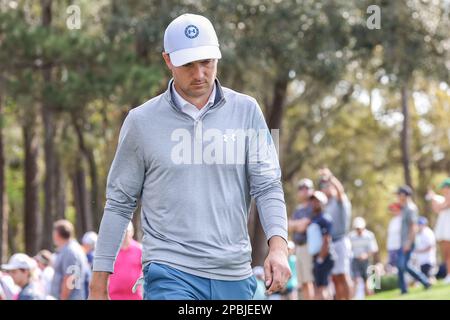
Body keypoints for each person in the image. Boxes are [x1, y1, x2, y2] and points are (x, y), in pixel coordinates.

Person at [89, 13, 290, 300]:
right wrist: (98, 284)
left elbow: (268, 185)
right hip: (170, 272)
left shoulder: (247, 111)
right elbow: (120, 203)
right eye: (188, 64)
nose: (199, 74)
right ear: (168, 60)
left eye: (207, 62)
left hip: (234, 273)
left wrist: (279, 247)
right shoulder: (140, 122)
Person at [319, 168, 353, 300]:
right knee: (335, 277)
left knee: (344, 275)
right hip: (332, 243)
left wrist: (330, 177)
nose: (326, 189)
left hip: (342, 241)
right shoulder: (326, 205)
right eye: (324, 187)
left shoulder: (340, 200)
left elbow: (340, 190)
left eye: (328, 186)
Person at [396, 186, 431, 294]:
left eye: (399, 194)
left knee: (404, 265)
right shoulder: (404, 208)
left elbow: (413, 226)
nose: (398, 197)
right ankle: (404, 290)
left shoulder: (411, 208)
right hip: (404, 242)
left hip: (408, 242)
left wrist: (408, 243)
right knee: (401, 266)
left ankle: (425, 281)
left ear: (405, 195)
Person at [288, 178, 315, 299]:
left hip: (309, 247)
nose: (304, 191)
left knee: (309, 282)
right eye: (301, 188)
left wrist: (296, 224)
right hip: (299, 247)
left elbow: (304, 225)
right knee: (303, 282)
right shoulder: (298, 209)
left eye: (307, 188)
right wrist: (297, 225)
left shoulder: (313, 206)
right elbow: (288, 225)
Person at [50, 219, 90, 300]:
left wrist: (63, 298)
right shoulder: (73, 248)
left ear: (57, 234)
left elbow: (70, 278)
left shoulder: (69, 251)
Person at [307, 191, 334, 300]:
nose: (314, 203)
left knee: (322, 288)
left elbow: (326, 240)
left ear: (323, 203)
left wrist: (320, 259)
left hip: (323, 257)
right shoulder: (314, 219)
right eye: (312, 201)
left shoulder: (325, 219)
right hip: (317, 257)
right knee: (320, 288)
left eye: (317, 201)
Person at [108, 222, 143, 300]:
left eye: (127, 231)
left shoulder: (140, 249)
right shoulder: (111, 251)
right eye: (122, 231)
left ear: (132, 232)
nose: (125, 234)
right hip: (114, 296)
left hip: (135, 296)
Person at [427, 177, 450, 284]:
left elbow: (442, 206)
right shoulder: (442, 198)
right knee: (446, 254)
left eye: (446, 188)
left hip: (447, 228)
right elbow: (436, 209)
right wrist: (433, 199)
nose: (444, 190)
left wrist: (434, 198)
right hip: (443, 228)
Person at [349, 217, 378, 297]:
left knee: (368, 281)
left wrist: (365, 255)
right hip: (355, 260)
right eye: (357, 228)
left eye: (360, 228)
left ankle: (370, 296)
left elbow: (373, 249)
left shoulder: (369, 235)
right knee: (355, 280)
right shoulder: (351, 236)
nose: (358, 230)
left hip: (366, 261)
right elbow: (349, 249)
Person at [413, 216, 436, 281]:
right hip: (420, 260)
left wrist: (419, 251)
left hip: (428, 260)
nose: (419, 226)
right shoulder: (418, 234)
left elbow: (430, 246)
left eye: (420, 224)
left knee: (429, 276)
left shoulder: (428, 233)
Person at [386, 202, 402, 271]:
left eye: (395, 209)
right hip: (391, 247)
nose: (393, 211)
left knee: (399, 266)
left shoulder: (402, 219)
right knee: (392, 267)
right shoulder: (392, 221)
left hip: (398, 247)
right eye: (392, 210)